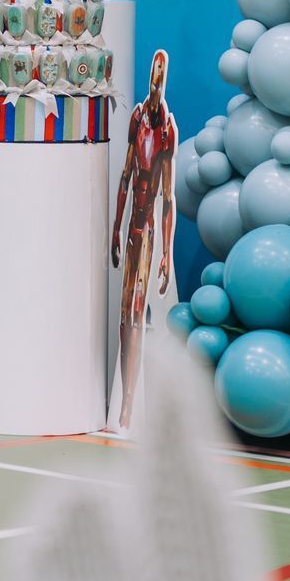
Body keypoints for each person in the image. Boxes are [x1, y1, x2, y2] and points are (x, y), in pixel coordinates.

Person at [110, 49, 178, 430]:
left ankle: (129, 404)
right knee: (125, 314)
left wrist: (167, 252)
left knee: (137, 308)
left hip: (149, 226)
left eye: (160, 75)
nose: (155, 81)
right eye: (153, 73)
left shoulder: (167, 130)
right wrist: (116, 227)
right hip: (132, 225)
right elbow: (125, 175)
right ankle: (125, 398)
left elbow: (168, 197)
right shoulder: (137, 119)